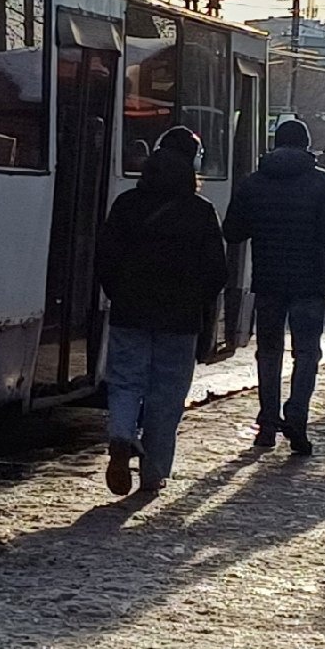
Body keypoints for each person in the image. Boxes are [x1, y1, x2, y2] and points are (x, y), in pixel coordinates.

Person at [95, 128, 230, 496]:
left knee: (125, 380)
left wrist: (119, 293)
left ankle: (122, 435)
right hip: (179, 321)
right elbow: (217, 272)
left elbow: (105, 258)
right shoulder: (201, 212)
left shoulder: (126, 204)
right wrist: (196, 301)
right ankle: (153, 474)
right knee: (167, 394)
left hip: (130, 312)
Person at [223, 117, 325, 455]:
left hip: (268, 281)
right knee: (307, 354)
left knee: (268, 353)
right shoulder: (320, 185)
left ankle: (267, 425)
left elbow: (233, 232)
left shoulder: (253, 183)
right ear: (306, 145)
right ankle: (297, 417)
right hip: (308, 284)